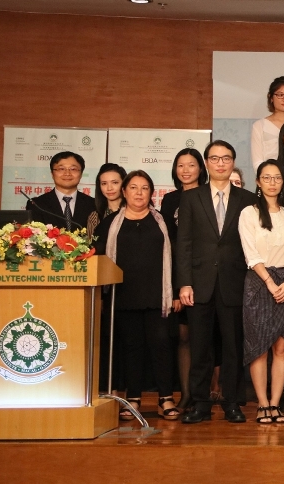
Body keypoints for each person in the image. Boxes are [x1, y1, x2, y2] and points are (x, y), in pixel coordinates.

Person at [175, 140, 258, 424]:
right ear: (206, 163)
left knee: (233, 346)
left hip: (235, 283)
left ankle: (232, 402)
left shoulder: (248, 199)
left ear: (233, 162)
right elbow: (183, 243)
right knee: (200, 347)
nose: (220, 163)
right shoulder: (191, 198)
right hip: (199, 283)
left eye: (226, 158)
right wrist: (184, 283)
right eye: (215, 158)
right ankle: (200, 403)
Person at [94, 171, 178, 421]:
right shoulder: (109, 224)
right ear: (124, 192)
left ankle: (166, 397)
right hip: (123, 296)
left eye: (144, 188)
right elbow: (97, 257)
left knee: (161, 344)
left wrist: (176, 290)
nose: (139, 193)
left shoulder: (162, 222)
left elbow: (178, 257)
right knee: (131, 347)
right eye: (133, 187)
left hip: (158, 296)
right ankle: (133, 398)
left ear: (152, 193)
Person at [239, 160, 284, 425]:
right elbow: (251, 255)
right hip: (259, 282)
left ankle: (276, 403)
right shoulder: (249, 213)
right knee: (259, 347)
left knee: (282, 346)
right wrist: (271, 283)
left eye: (277, 178)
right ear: (258, 182)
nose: (273, 182)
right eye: (267, 178)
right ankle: (262, 404)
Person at [159, 147, 203, 396]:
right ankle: (186, 393)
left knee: (204, 337)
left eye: (191, 165)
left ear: (201, 168)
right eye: (180, 166)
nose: (186, 170)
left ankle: (205, 392)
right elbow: (170, 243)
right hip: (178, 274)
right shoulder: (170, 200)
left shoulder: (209, 195)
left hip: (205, 274)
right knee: (183, 336)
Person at [27, 151, 97, 232]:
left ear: (81, 174)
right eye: (61, 169)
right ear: (52, 174)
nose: (67, 173)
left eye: (73, 169)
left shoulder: (94, 204)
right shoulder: (37, 204)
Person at [251, 76, 284, 172]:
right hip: (269, 180)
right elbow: (257, 162)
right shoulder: (260, 126)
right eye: (280, 95)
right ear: (271, 97)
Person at [89, 162, 127, 236]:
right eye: (104, 183)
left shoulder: (134, 212)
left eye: (115, 183)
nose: (109, 188)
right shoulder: (95, 217)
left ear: (124, 184)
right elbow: (91, 246)